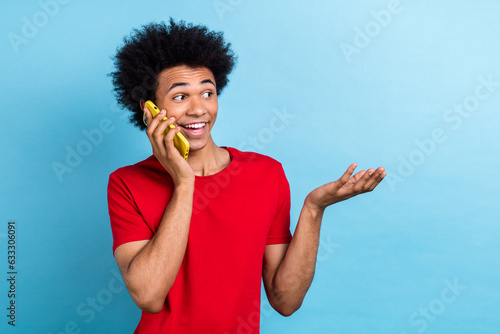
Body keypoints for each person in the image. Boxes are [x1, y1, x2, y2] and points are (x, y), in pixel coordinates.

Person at [107, 18, 386, 334]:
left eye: (208, 93)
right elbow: (148, 295)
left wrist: (313, 208)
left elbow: (286, 301)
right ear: (150, 110)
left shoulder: (266, 175)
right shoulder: (127, 183)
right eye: (181, 96)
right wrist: (185, 183)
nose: (199, 109)